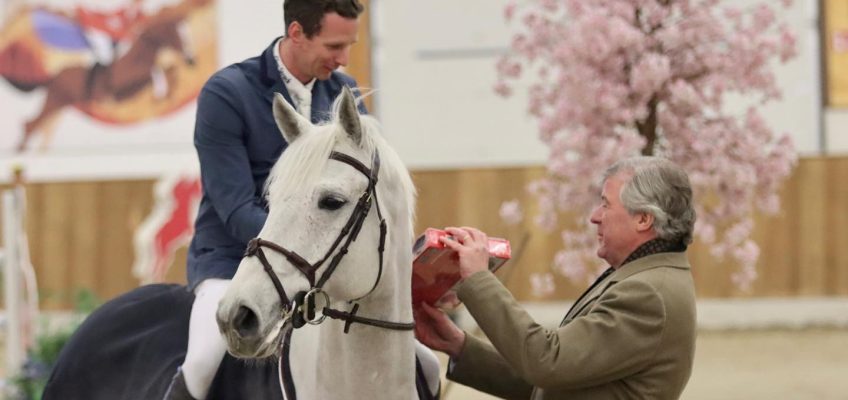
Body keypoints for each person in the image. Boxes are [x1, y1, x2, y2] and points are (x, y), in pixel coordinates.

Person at [163, 1, 368, 399]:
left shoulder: (346, 94)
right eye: (334, 46)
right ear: (296, 33)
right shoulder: (227, 94)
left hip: (323, 265)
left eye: (349, 45)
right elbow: (236, 208)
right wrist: (303, 252)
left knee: (424, 365)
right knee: (204, 359)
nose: (343, 59)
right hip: (233, 259)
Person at [415, 156, 698, 399]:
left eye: (606, 204)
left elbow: (547, 361)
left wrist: (478, 277)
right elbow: (558, 383)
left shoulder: (647, 294)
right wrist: (459, 346)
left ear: (643, 219)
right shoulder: (647, 277)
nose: (595, 217)